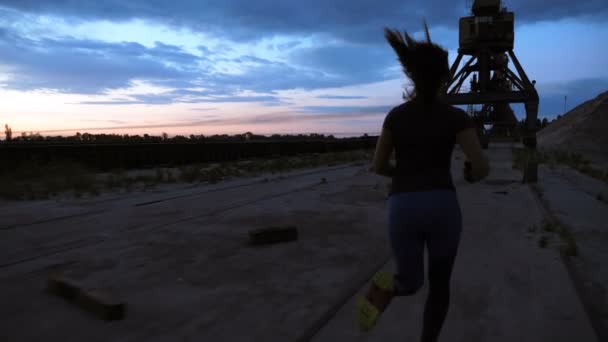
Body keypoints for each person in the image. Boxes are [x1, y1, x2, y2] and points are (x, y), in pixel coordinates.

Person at [356, 24, 490, 342]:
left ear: (411, 75)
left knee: (411, 281)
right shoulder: (456, 117)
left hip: (403, 206)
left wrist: (403, 174)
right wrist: (471, 174)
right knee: (439, 286)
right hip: (443, 206)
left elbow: (378, 166)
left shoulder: (395, 117)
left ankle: (385, 289)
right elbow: (482, 167)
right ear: (446, 77)